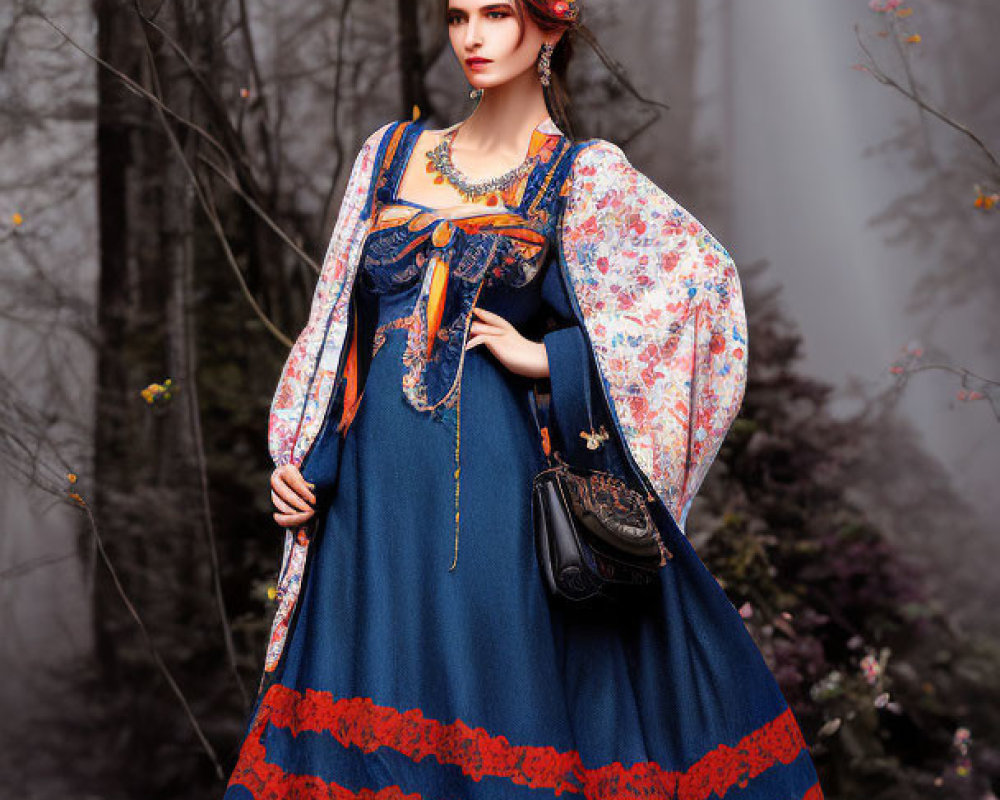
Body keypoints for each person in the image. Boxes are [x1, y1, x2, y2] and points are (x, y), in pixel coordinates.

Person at [224, 1, 824, 797]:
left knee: (490, 719)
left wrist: (553, 356)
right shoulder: (389, 155)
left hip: (493, 505)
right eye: (458, 14)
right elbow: (337, 328)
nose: (472, 36)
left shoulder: (581, 176)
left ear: (549, 27)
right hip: (370, 506)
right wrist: (305, 464)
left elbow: (702, 297)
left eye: (498, 13)